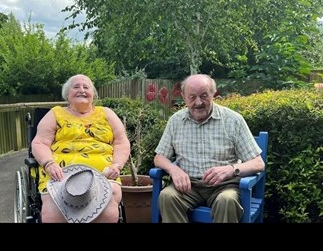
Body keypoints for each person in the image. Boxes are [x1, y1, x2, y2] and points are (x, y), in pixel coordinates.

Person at [153, 74, 265, 223]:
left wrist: (231, 169)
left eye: (204, 96)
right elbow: (159, 157)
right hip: (188, 186)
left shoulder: (233, 120)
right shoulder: (176, 121)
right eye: (192, 97)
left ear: (214, 94)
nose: (198, 102)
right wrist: (173, 170)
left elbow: (258, 163)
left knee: (227, 200)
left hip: (224, 186)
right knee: (167, 197)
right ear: (183, 97)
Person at [31, 74, 131, 223]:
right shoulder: (55, 114)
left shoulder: (106, 113)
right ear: (67, 94)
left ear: (93, 94)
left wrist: (117, 165)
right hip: (60, 173)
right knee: (53, 206)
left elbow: (122, 142)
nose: (81, 90)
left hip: (103, 174)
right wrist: (48, 163)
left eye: (86, 87)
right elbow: (40, 143)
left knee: (108, 202)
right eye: (76, 87)